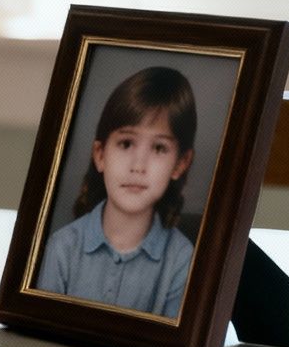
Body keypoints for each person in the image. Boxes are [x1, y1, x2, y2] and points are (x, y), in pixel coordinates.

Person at [34, 66, 198, 318]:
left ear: (179, 164)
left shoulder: (182, 260)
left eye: (158, 148)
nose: (138, 165)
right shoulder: (62, 247)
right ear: (100, 155)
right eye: (126, 143)